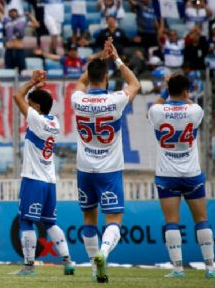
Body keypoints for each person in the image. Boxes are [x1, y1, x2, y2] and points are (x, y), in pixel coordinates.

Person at [71, 38, 140, 283]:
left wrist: (100, 57)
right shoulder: (115, 100)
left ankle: (93, 268)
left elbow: (81, 81)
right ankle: (103, 251)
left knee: (88, 218)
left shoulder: (77, 99)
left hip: (84, 169)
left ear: (90, 78)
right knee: (114, 220)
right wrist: (116, 58)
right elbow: (135, 83)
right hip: (109, 170)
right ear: (107, 80)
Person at [148, 74, 214, 279]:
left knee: (171, 222)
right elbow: (189, 104)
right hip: (191, 174)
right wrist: (181, 93)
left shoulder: (157, 111)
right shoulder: (195, 110)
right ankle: (210, 267)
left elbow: (157, 105)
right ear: (186, 91)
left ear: (169, 90)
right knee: (202, 220)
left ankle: (177, 268)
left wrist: (167, 89)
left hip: (167, 175)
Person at [12, 69, 74, 276]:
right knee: (50, 223)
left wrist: (31, 83)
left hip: (33, 178)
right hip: (49, 180)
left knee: (26, 220)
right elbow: (38, 104)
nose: (27, 108)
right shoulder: (53, 121)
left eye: (31, 105)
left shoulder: (36, 119)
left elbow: (16, 96)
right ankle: (68, 261)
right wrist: (38, 91)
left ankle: (29, 265)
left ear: (36, 107)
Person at [20, 0, 92, 54]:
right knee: (55, 34)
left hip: (59, 19)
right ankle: (54, 52)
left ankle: (51, 51)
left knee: (55, 36)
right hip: (49, 18)